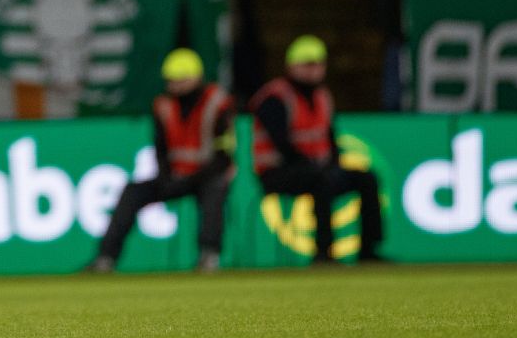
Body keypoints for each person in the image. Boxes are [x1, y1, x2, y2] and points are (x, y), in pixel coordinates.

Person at [87, 48, 235, 273]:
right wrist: (168, 176)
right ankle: (105, 259)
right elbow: (161, 148)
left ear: (197, 77)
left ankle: (209, 256)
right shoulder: (163, 105)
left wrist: (193, 178)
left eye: (182, 80)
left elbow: (225, 156)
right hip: (174, 175)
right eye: (172, 81)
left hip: (207, 174)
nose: (177, 86)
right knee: (133, 191)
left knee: (215, 189)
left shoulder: (217, 102)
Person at [249, 36, 386, 264]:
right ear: (291, 66)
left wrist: (333, 163)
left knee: (366, 179)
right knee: (320, 180)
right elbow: (281, 143)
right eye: (307, 65)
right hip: (277, 173)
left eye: (317, 64)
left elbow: (330, 138)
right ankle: (324, 252)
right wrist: (315, 166)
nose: (313, 70)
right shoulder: (275, 97)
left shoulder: (323, 95)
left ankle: (368, 251)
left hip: (317, 169)